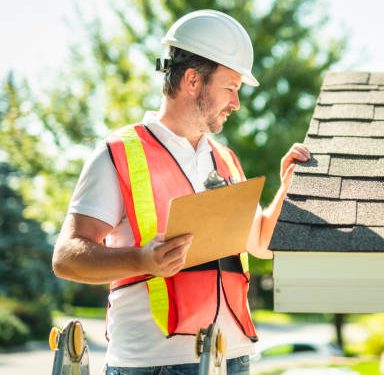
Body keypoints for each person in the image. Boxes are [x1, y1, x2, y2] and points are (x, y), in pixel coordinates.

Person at [52, 9, 310, 375]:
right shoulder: (119, 153)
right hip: (153, 363)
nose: (236, 103)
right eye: (231, 88)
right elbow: (66, 257)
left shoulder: (226, 160)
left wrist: (287, 187)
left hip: (232, 358)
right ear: (192, 81)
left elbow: (260, 244)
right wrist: (142, 260)